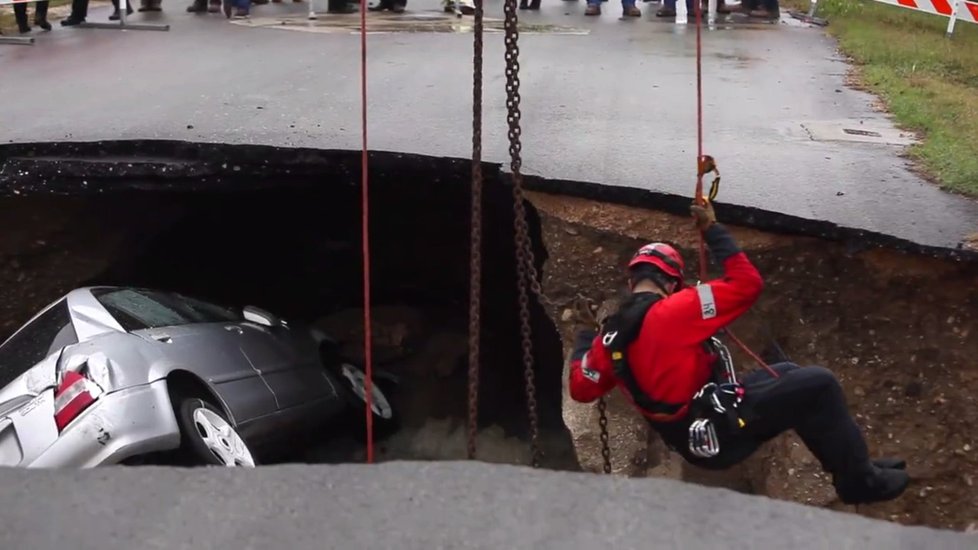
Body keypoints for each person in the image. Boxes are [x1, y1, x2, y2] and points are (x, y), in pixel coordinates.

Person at [567, 199, 910, 505]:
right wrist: (714, 231)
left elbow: (582, 388)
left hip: (694, 432)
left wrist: (585, 339)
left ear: (632, 283)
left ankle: (854, 463)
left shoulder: (610, 336)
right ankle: (859, 482)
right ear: (672, 283)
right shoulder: (679, 308)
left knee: (788, 373)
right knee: (820, 384)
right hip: (719, 435)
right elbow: (748, 284)